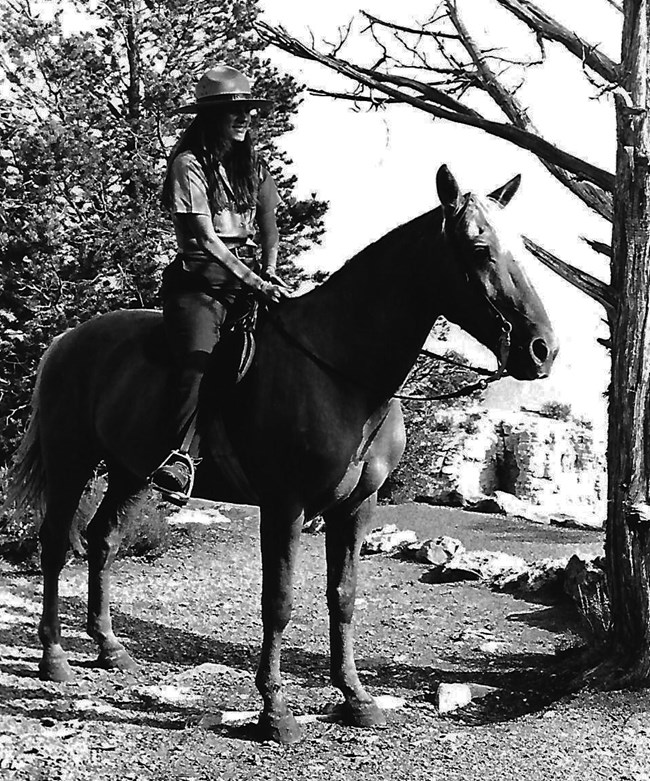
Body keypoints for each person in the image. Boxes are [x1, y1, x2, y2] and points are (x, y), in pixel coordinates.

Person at [151, 64, 286, 504]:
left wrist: (268, 267)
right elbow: (205, 240)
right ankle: (179, 457)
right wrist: (256, 281)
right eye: (235, 112)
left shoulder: (254, 165)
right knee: (198, 361)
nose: (245, 118)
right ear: (211, 117)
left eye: (248, 111)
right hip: (199, 283)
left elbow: (270, 222)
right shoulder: (188, 164)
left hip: (245, 281)